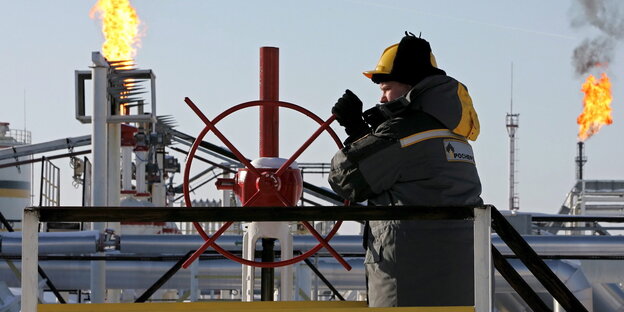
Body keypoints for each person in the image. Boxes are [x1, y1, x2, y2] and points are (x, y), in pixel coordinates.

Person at [328, 32, 483, 307]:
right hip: (461, 277)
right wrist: (364, 135)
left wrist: (355, 130)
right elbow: (407, 169)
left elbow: (347, 180)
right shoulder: (454, 134)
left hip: (408, 277)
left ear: (410, 87)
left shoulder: (402, 134)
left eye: (386, 88)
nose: (383, 99)